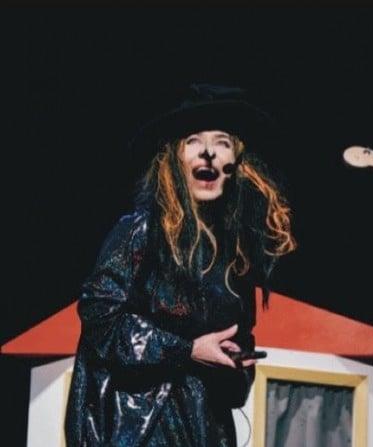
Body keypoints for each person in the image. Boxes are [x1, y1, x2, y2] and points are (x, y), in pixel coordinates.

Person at [65, 84, 297, 446]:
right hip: (138, 429)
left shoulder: (235, 257)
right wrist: (185, 350)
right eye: (193, 141)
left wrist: (234, 365)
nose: (208, 151)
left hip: (203, 431)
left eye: (222, 142)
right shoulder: (140, 231)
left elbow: (236, 380)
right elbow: (100, 317)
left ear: (236, 163)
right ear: (174, 158)